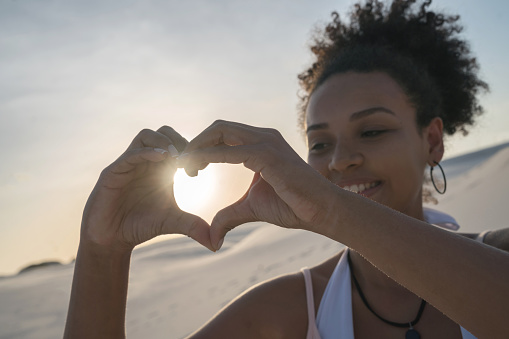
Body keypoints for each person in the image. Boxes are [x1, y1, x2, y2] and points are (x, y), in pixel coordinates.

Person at [64, 0, 509, 338]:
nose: (339, 161)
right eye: (319, 143)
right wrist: (102, 251)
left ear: (431, 140)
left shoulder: (499, 254)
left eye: (372, 131)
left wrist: (332, 210)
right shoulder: (289, 311)